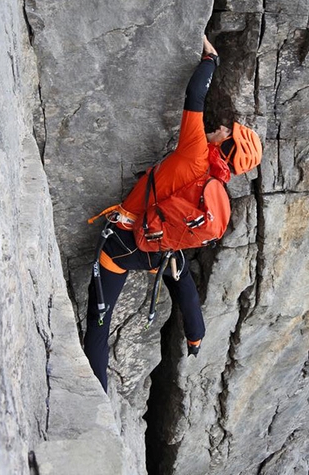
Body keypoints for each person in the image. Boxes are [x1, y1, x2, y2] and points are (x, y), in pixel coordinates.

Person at [84, 35, 262, 392]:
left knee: (98, 327)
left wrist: (210, 60)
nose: (224, 126)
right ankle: (195, 336)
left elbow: (194, 97)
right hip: (157, 250)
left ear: (225, 144)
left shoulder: (195, 149)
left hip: (121, 244)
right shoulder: (213, 185)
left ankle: (96, 397)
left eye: (229, 131)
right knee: (180, 278)